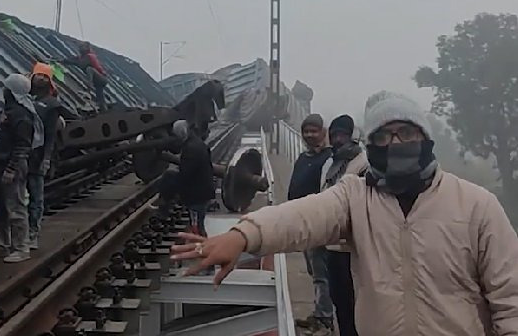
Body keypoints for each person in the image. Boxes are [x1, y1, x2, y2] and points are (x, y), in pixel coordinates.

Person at [172, 91, 518, 336]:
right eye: (384, 136)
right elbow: (303, 216)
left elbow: (510, 298)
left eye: (407, 133)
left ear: (425, 138)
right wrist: (243, 235)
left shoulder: (476, 205)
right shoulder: (357, 196)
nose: (396, 144)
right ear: (371, 145)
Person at [321, 114, 368, 336]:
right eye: (334, 135)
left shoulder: (364, 164)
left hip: (355, 249)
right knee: (339, 300)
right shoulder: (329, 165)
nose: (338, 140)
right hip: (331, 246)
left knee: (357, 303)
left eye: (343, 135)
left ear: (353, 136)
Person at [287, 113, 334, 334]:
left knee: (321, 273)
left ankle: (324, 319)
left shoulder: (328, 158)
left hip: (318, 225)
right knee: (313, 271)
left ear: (323, 133)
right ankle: (319, 312)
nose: (309, 135)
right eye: (306, 131)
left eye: (314, 131)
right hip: (302, 223)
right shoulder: (303, 157)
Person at [0, 74, 42, 263]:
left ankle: (21, 247)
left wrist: (11, 169)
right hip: (1, 164)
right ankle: (2, 244)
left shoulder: (21, 116)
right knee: (0, 207)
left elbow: (23, 146)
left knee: (15, 206)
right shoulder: (11, 111)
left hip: (12, 165)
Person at [27, 63, 77, 250]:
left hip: (38, 156)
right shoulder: (27, 100)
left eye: (43, 76)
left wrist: (46, 159)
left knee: (36, 198)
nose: (39, 79)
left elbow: (49, 136)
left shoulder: (52, 105)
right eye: (37, 75)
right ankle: (21, 233)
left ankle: (33, 233)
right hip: (23, 155)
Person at [155, 120, 215, 235]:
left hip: (197, 195)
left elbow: (185, 175)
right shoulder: (196, 143)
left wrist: (173, 191)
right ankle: (163, 205)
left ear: (181, 134)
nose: (176, 139)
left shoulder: (191, 148)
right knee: (197, 224)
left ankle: (202, 249)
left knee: (196, 227)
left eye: (176, 136)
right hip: (202, 190)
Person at [61, 42, 108, 111]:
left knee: (89, 69)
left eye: (82, 47)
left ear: (87, 48)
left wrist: (73, 62)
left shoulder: (89, 56)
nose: (80, 49)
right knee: (100, 97)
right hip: (98, 81)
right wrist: (64, 61)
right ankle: (104, 109)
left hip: (101, 78)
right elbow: (73, 59)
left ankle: (88, 90)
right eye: (80, 47)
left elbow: (81, 64)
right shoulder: (82, 57)